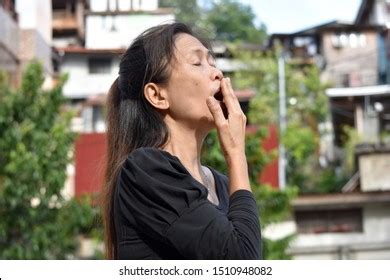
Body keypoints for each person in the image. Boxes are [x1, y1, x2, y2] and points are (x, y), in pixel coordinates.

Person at [103, 22, 261, 260]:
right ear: (157, 95)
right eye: (197, 63)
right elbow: (242, 261)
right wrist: (236, 153)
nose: (217, 73)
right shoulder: (146, 172)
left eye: (213, 62)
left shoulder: (222, 184)